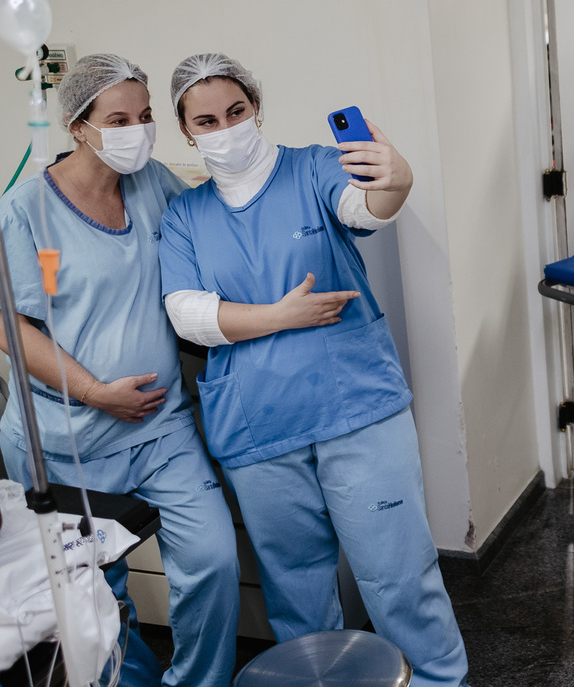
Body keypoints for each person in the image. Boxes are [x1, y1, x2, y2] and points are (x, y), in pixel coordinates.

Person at [156, 53, 469, 687]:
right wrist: (281, 316)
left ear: (256, 107)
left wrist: (396, 178)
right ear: (187, 132)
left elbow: (366, 209)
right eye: (206, 120)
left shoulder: (315, 167)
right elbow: (187, 315)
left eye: (236, 111)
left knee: (398, 572)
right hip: (256, 425)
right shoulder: (184, 215)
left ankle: (442, 679)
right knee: (295, 588)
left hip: (356, 408)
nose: (225, 128)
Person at [0, 54, 240, 687]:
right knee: (98, 596)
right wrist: (92, 391)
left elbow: (210, 238)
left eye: (145, 115)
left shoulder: (153, 181)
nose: (137, 130)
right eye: (117, 119)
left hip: (161, 427)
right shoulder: (26, 211)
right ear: (78, 126)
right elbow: (8, 327)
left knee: (212, 560)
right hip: (66, 440)